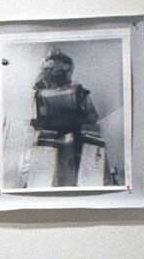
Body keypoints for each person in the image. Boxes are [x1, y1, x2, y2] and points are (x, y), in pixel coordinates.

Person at [30, 49, 101, 188]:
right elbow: (38, 120)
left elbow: (92, 116)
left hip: (73, 141)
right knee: (47, 178)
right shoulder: (40, 94)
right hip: (50, 143)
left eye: (61, 68)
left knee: (70, 177)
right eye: (53, 68)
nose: (57, 71)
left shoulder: (78, 92)